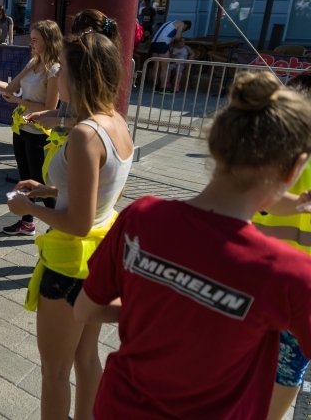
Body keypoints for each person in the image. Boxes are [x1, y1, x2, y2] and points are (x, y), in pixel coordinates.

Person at [75, 71, 311, 420]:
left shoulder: (142, 217)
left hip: (118, 406)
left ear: (216, 147)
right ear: (294, 170)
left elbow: (85, 311)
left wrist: (165, 309)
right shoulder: (289, 274)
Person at [7, 31, 133, 420]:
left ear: (77, 77)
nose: (56, 77)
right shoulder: (115, 122)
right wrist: (48, 188)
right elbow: (97, 189)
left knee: (54, 371)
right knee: (86, 356)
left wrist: (28, 207)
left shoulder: (83, 134)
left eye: (61, 71)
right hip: (100, 256)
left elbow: (77, 222)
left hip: (68, 263)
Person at [248, 70, 311, 420]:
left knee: (266, 357)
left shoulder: (282, 148)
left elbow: (259, 198)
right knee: (288, 365)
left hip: (270, 276)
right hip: (289, 281)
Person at [0, 20, 63, 235]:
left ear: (48, 41)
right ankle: (27, 222)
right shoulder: (33, 62)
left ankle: (59, 227)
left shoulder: (54, 70)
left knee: (40, 182)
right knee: (25, 177)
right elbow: (10, 88)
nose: (31, 43)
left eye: (35, 39)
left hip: (40, 132)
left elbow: (49, 108)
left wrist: (20, 101)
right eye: (31, 38)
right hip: (22, 128)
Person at [150, 19, 192, 94]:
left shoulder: (170, 23)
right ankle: (163, 88)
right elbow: (178, 37)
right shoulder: (181, 23)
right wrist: (179, 41)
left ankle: (155, 86)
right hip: (163, 43)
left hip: (154, 42)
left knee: (156, 66)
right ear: (186, 25)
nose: (183, 30)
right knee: (164, 67)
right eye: (185, 29)